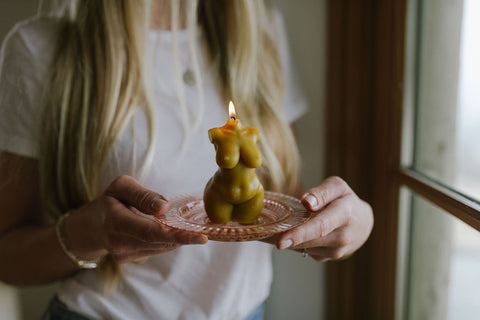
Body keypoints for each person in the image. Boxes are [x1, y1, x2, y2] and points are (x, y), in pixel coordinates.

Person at [0, 0, 374, 319]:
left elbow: (281, 196)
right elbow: (7, 256)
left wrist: (350, 221)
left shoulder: (261, 32)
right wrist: (89, 233)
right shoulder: (43, 48)